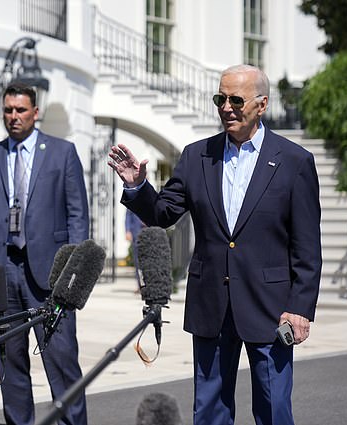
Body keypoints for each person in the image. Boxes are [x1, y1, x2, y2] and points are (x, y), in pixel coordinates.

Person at [108, 64, 322, 425]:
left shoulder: (295, 162)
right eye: (219, 99)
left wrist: (300, 307)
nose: (226, 107)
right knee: (208, 411)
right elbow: (163, 213)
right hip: (211, 304)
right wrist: (136, 187)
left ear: (262, 104)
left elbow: (307, 246)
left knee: (274, 410)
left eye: (236, 99)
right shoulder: (196, 156)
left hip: (270, 308)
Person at [0, 82, 89, 425]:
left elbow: (78, 216)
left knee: (61, 359)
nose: (13, 116)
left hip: (52, 276)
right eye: (8, 110)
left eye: (20, 110)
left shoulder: (63, 153)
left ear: (36, 112)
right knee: (11, 360)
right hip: (3, 273)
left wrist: (75, 276)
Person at [125, 209, 146, 290]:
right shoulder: (133, 196)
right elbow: (128, 216)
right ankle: (140, 285)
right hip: (136, 232)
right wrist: (127, 231)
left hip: (148, 231)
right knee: (138, 261)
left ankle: (148, 284)